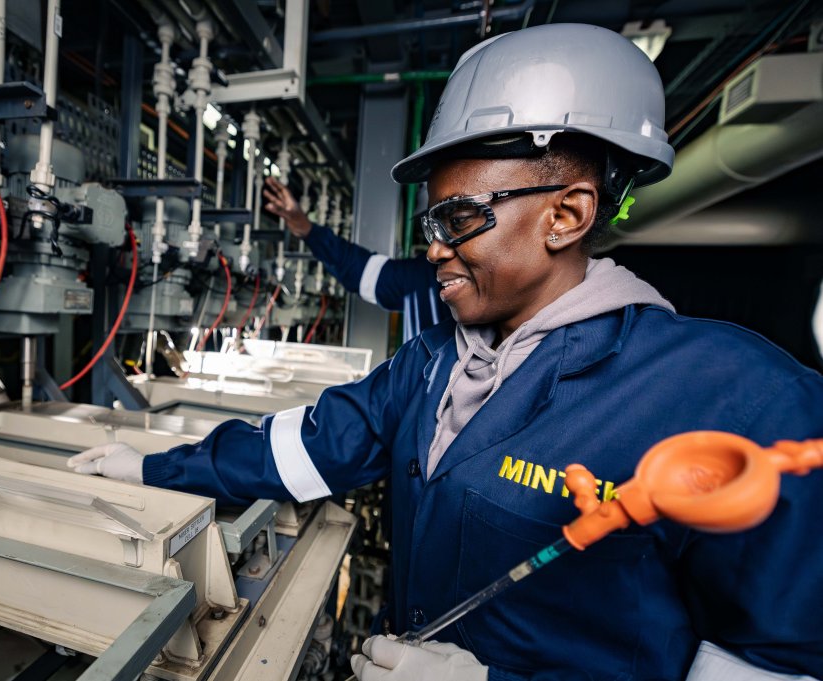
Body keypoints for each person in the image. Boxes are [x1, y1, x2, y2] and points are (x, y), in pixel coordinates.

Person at [70, 23, 823, 681]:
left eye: (459, 217)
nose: (432, 248)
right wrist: (147, 468)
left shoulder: (738, 402)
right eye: (432, 219)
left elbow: (776, 664)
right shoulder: (432, 362)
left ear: (566, 213)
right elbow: (303, 446)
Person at [263, 175, 450, 340]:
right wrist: (308, 230)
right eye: (432, 230)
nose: (435, 250)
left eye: (458, 222)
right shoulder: (420, 275)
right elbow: (360, 269)